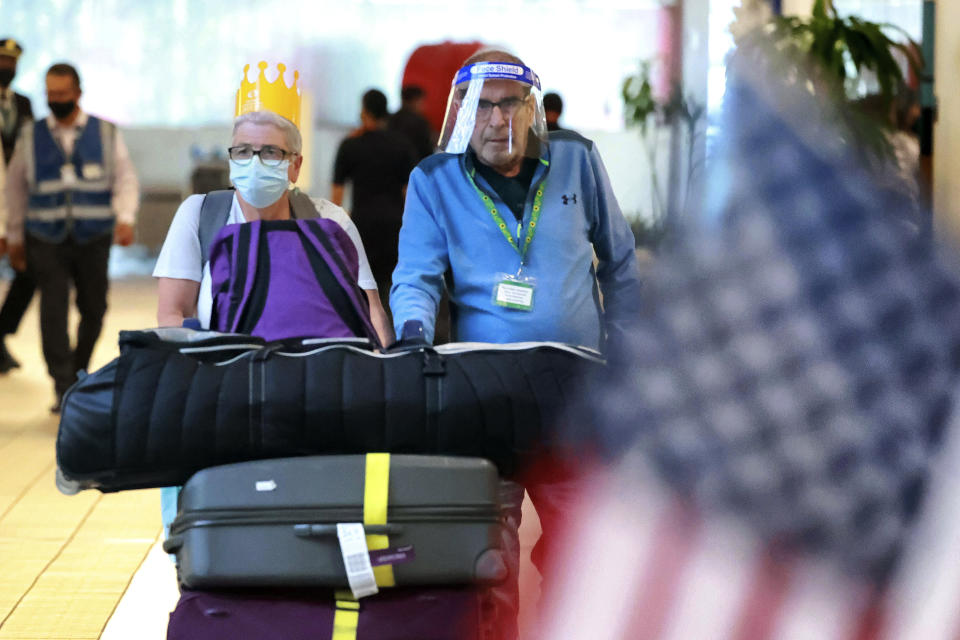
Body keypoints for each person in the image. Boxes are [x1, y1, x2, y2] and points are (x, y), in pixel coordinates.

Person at [389, 49, 642, 636]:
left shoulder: (576, 159)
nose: (497, 120)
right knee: (487, 553)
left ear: (532, 110)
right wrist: (411, 338)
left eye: (510, 104)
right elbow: (417, 277)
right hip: (485, 390)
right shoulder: (433, 180)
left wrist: (627, 344)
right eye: (482, 106)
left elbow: (619, 259)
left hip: (575, 387)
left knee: (581, 547)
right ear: (461, 113)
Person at [155, 63, 393, 346]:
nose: (254, 163)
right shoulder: (200, 216)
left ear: (295, 166)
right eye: (242, 151)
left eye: (270, 152)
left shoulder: (330, 222)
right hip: (226, 376)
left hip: (315, 376)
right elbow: (172, 313)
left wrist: (383, 368)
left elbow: (371, 312)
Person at [5, 62, 139, 411]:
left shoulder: (106, 133)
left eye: (62, 94)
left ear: (78, 93)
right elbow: (15, 188)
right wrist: (14, 236)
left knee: (94, 307)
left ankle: (79, 372)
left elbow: (125, 178)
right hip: (44, 236)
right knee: (53, 310)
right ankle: (63, 385)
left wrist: (125, 218)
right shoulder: (30, 135)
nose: (56, 100)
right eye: (50, 95)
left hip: (93, 236)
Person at [331, 89, 417, 317]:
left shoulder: (350, 145)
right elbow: (408, 193)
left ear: (364, 111)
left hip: (361, 226)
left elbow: (337, 195)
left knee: (361, 288)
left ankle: (365, 339)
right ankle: (393, 339)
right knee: (393, 287)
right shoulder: (401, 144)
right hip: (394, 226)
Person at [0, 38, 34, 373]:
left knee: (29, 270)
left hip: (17, 200)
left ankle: (1, 331)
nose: (6, 68)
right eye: (2, 61)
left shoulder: (24, 104)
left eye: (12, 62)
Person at [387, 84, 435, 162]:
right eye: (421, 102)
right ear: (414, 101)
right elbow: (427, 150)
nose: (423, 106)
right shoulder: (419, 122)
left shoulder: (390, 119)